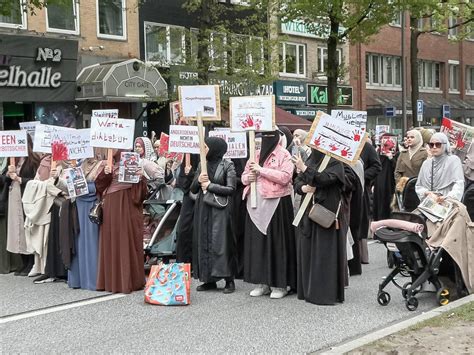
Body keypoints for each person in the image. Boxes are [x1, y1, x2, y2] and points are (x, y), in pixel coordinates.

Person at [242, 130, 296, 299]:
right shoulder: (254, 154)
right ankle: (261, 282)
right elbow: (244, 177)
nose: (265, 140)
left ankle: (280, 284)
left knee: (277, 243)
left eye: (269, 136)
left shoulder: (284, 154)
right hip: (255, 204)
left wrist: (261, 170)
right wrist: (248, 177)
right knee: (258, 245)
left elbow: (286, 177)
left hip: (277, 203)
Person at [293, 149, 346, 305]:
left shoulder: (335, 162)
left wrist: (304, 169)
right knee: (307, 248)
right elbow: (298, 181)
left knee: (324, 252)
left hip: (325, 212)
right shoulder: (310, 159)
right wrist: (303, 188)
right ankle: (307, 290)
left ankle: (324, 293)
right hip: (307, 211)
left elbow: (325, 179)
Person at [95, 149, 148, 293]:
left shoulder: (134, 162)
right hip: (112, 206)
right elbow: (99, 187)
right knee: (112, 239)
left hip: (130, 205)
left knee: (129, 239)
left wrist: (140, 177)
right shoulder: (106, 164)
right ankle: (112, 281)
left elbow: (142, 193)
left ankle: (132, 280)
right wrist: (106, 173)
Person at [190, 137, 237, 293]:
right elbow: (193, 189)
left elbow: (231, 189)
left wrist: (210, 185)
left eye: (205, 146)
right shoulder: (201, 165)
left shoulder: (227, 165)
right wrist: (198, 180)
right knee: (203, 241)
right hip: (203, 208)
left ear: (214, 148)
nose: (202, 149)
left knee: (221, 242)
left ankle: (229, 279)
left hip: (220, 209)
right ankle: (208, 279)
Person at [68, 149, 106, 290]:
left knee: (91, 241)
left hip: (92, 206)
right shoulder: (79, 165)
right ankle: (79, 279)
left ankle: (93, 280)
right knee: (79, 240)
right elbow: (68, 188)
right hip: (79, 205)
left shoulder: (102, 164)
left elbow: (101, 186)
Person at [6, 135, 41, 276]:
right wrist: (8, 175)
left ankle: (31, 262)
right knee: (17, 229)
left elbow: (35, 181)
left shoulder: (33, 161)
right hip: (14, 198)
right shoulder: (14, 160)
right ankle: (23, 262)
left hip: (27, 197)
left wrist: (19, 179)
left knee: (27, 228)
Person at [416, 132, 464, 203]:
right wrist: (427, 193)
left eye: (438, 144)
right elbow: (419, 186)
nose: (434, 147)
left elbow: (459, 183)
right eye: (431, 145)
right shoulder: (426, 163)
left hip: (448, 202)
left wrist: (449, 197)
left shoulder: (453, 160)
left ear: (445, 145)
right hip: (428, 203)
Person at [358, 140, 382, 263]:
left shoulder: (365, 146)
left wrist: (361, 175)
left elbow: (376, 166)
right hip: (343, 189)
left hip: (361, 189)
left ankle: (360, 256)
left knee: (359, 221)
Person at [0, 157, 22, 274]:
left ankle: (12, 263)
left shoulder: (10, 158)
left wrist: (8, 175)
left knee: (9, 230)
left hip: (7, 197)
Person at [373, 134, 398, 221]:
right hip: (379, 183)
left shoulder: (398, 153)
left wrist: (391, 158)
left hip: (391, 183)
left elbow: (397, 168)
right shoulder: (377, 153)